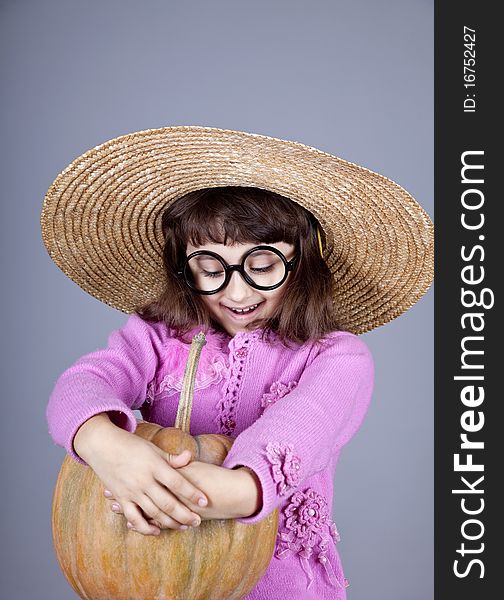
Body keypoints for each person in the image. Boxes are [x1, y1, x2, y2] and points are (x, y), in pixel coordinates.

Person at [42, 126, 434, 599]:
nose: (237, 291)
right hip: (154, 583)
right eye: (211, 268)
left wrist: (177, 493)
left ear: (303, 261)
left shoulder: (335, 359)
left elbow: (290, 439)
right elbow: (83, 383)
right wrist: (106, 446)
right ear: (183, 268)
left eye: (262, 265)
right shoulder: (155, 337)